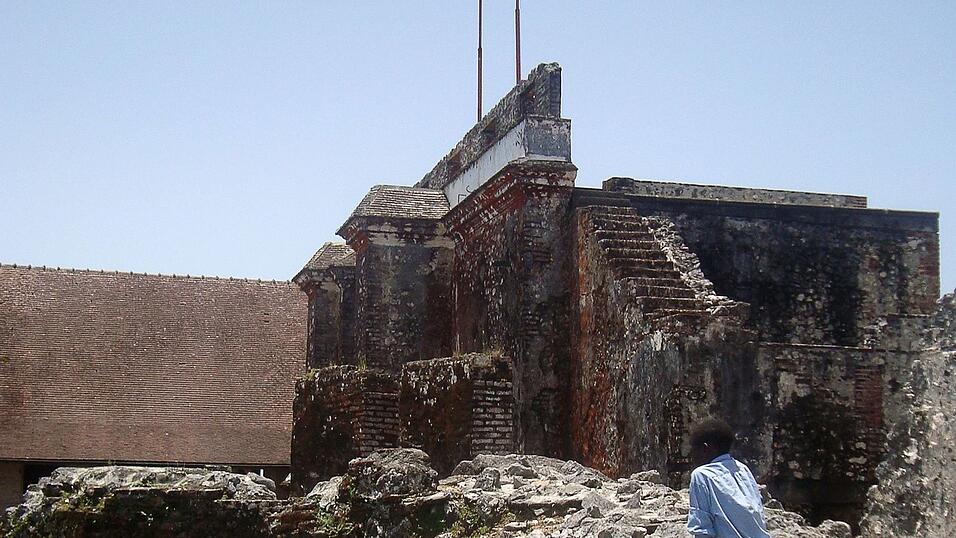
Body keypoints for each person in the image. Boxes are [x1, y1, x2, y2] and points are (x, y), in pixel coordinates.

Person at [686, 418, 770, 538]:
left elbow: (701, 527)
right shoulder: (743, 469)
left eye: (694, 449)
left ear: (706, 448)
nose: (692, 455)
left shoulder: (702, 475)